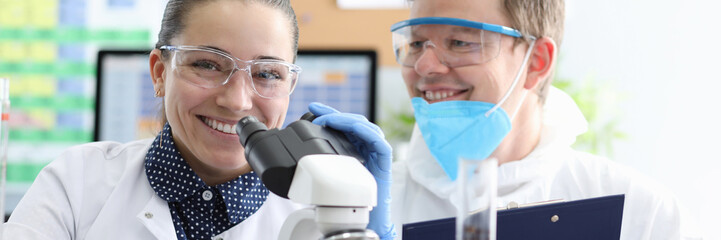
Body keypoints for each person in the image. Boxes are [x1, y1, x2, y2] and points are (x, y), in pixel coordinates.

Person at [2, 0, 394, 239]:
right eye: (207, 65)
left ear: (290, 86)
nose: (238, 101)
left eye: (268, 73)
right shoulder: (76, 184)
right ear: (159, 72)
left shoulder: (322, 214)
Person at [389, 0, 700, 239]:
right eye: (416, 44)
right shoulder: (371, 205)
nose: (425, 65)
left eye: (460, 42)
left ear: (537, 62)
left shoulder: (642, 213)